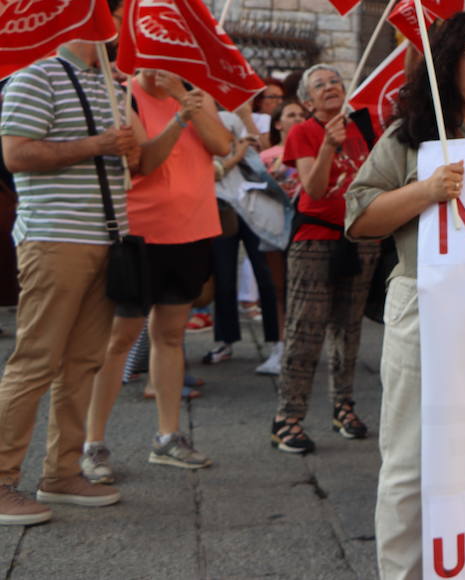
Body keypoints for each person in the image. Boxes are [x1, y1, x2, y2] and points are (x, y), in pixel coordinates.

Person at [345, 11, 465, 580]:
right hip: (424, 303)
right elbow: (359, 216)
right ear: (451, 61)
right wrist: (426, 190)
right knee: (409, 463)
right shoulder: (412, 133)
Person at [0, 0, 144, 523]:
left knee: (82, 363)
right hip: (55, 238)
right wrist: (98, 145)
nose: (125, 27)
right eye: (121, 16)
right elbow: (15, 154)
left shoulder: (113, 85)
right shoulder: (35, 75)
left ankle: (60, 474)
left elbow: (135, 167)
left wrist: (143, 143)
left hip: (107, 240)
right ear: (96, 18)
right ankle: (2, 478)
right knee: (35, 361)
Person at [82, 69, 232, 481]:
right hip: (141, 234)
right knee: (119, 339)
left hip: (192, 229)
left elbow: (222, 144)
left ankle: (168, 437)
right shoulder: (123, 95)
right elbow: (145, 161)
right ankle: (92, 443)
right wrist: (179, 117)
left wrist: (184, 97)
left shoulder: (195, 94)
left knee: (170, 334)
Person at [270, 64, 380, 453]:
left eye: (335, 81)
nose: (331, 87)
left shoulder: (364, 129)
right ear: (307, 100)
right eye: (320, 85)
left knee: (348, 329)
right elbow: (313, 189)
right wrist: (329, 146)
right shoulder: (303, 132)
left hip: (360, 238)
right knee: (306, 329)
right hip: (315, 240)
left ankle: (344, 407)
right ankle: (288, 417)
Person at [203, 108, 290, 375]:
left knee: (267, 274)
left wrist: (246, 116)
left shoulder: (244, 117)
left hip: (252, 204)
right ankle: (226, 339)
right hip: (222, 205)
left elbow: (262, 154)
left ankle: (278, 341)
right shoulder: (204, 117)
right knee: (224, 274)